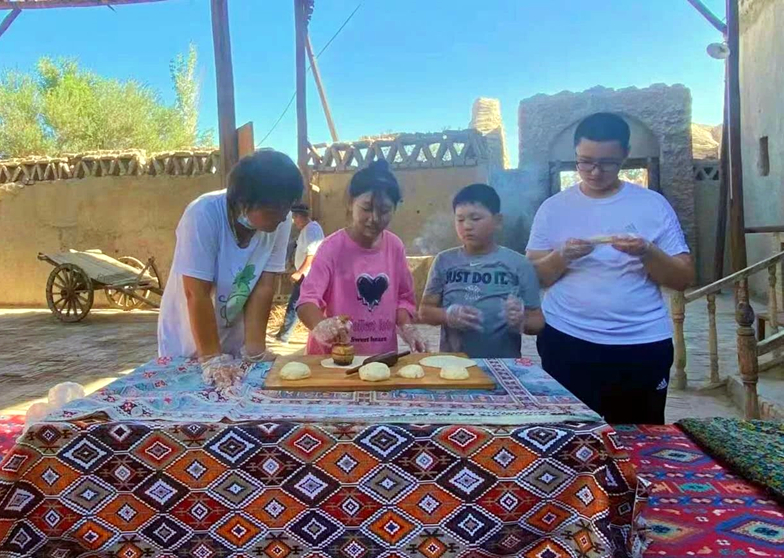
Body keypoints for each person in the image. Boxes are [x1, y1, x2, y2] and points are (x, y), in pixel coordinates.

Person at [526, 112, 695, 424]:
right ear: (575, 154)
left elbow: (682, 277)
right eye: (585, 161)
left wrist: (647, 251)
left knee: (639, 438)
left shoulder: (652, 205)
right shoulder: (553, 209)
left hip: (641, 344)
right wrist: (562, 256)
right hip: (567, 339)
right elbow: (534, 277)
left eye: (607, 163)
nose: (594, 171)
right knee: (571, 436)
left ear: (625, 156)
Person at [157, 150, 303, 389]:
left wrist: (255, 349)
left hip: (232, 338)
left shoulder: (280, 221)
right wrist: (211, 358)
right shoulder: (203, 214)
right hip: (187, 339)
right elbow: (197, 293)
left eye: (288, 206)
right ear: (244, 203)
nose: (284, 215)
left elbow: (264, 286)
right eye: (275, 208)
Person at [297, 159, 427, 355]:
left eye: (384, 211)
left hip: (380, 358)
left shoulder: (395, 247)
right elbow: (306, 301)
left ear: (395, 209)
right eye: (366, 208)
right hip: (334, 359)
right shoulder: (332, 248)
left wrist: (407, 326)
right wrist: (321, 326)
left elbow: (403, 298)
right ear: (351, 203)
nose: (374, 218)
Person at [419, 183, 544, 358]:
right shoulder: (444, 261)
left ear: (498, 221)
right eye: (460, 219)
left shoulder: (519, 264)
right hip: (455, 363)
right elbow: (425, 311)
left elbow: (538, 321)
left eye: (475, 218)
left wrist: (521, 319)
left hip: (504, 363)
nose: (467, 226)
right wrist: (448, 315)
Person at [276, 202, 324, 342]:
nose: (294, 222)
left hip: (307, 275)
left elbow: (312, 254)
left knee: (295, 305)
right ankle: (283, 334)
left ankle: (284, 336)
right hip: (307, 274)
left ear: (300, 216)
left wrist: (300, 272)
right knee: (297, 304)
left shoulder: (311, 230)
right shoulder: (307, 230)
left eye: (294, 218)